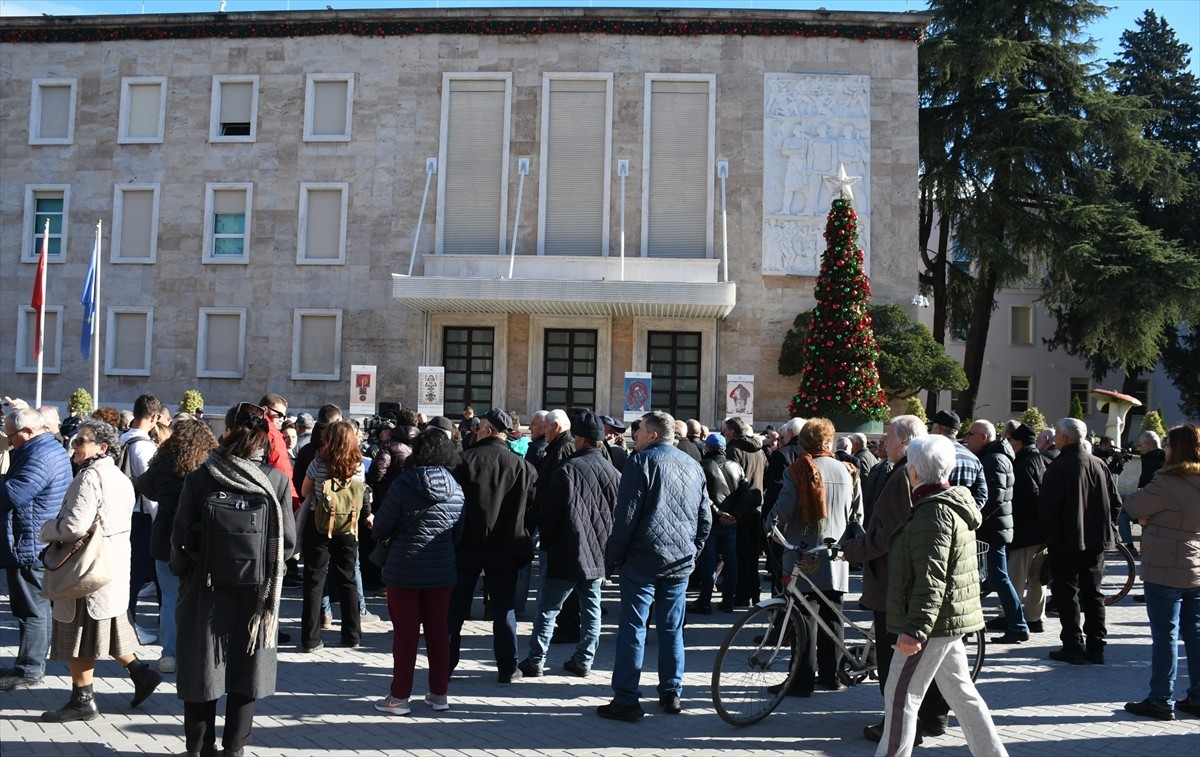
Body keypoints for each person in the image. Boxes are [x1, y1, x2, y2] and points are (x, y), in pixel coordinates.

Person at [171, 403, 296, 757]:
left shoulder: (202, 475)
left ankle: (198, 749)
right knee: (247, 668)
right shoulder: (275, 480)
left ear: (227, 430)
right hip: (257, 592)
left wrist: (187, 574)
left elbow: (180, 535)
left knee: (202, 668)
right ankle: (235, 749)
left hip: (204, 585)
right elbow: (287, 542)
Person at [876, 434, 1008, 757]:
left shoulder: (932, 512)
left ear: (915, 472)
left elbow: (930, 580)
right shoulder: (948, 504)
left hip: (933, 623)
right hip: (947, 619)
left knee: (900, 697)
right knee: (962, 694)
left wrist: (914, 630)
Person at [38, 419, 163, 722]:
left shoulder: (89, 478)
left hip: (86, 570)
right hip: (111, 567)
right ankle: (141, 674)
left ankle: (82, 701)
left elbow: (73, 526)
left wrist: (46, 529)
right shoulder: (118, 477)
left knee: (79, 633)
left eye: (81, 441)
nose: (75, 445)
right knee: (106, 629)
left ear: (102, 447)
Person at [841, 416, 951, 744]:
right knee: (926, 663)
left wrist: (851, 551)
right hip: (906, 579)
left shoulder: (903, 475)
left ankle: (900, 724)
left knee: (895, 663)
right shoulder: (909, 473)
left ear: (904, 442)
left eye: (888, 437)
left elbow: (884, 535)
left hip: (893, 581)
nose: (883, 443)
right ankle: (932, 716)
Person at [598, 411, 709, 721]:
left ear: (654, 435)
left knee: (634, 630)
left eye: (640, 431)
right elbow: (705, 518)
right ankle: (671, 693)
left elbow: (626, 517)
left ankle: (626, 698)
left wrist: (613, 558)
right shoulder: (692, 464)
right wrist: (693, 551)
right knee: (672, 630)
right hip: (678, 561)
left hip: (643, 559)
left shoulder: (641, 462)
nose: (635, 435)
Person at [518, 412, 617, 679]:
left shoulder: (569, 469)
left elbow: (550, 514)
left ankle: (536, 660)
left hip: (566, 551)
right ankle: (584, 660)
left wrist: (547, 544)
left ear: (582, 439)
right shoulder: (613, 472)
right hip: (597, 553)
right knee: (591, 609)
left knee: (548, 609)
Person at [767, 417, 862, 696]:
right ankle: (832, 675)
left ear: (805, 441)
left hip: (803, 554)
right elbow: (858, 516)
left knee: (801, 617)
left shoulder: (798, 470)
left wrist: (769, 525)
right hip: (836, 555)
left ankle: (801, 679)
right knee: (833, 616)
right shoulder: (849, 470)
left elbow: (782, 510)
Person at [372, 430, 465, 715]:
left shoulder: (403, 484)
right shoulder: (456, 488)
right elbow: (458, 534)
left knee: (405, 635)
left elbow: (381, 528)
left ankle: (399, 697)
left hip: (404, 570)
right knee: (439, 632)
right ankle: (439, 694)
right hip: (442, 569)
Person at [448, 408, 538, 683]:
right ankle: (508, 667)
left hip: (467, 546)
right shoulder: (523, 467)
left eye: (478, 428)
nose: (475, 431)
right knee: (504, 607)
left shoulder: (463, 461)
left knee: (456, 608)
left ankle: (446, 662)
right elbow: (533, 512)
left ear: (486, 430)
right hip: (506, 547)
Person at [1122, 423, 1200, 721]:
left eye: (1167, 444)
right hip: (1195, 565)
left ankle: (1160, 699)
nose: (1163, 449)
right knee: (1195, 633)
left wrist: (1147, 520)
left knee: (1166, 634)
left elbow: (1132, 505)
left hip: (1165, 567)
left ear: (1175, 449)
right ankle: (1197, 696)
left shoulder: (1167, 482)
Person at [136, 420, 219, 675]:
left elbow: (145, 487)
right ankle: (198, 651)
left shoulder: (164, 461)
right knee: (201, 597)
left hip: (164, 537)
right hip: (198, 538)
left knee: (170, 598)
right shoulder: (209, 464)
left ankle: (169, 655)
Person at [1, 407, 73, 692]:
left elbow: (13, 494)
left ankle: (30, 668)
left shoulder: (40, 454)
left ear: (28, 432)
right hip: (33, 537)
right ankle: (28, 664)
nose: (9, 442)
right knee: (35, 606)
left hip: (30, 541)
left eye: (11, 437)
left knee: (31, 608)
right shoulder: (41, 448)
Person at [1038, 417, 1119, 665]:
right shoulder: (1099, 464)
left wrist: (1049, 532)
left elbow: (1047, 507)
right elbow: (1115, 503)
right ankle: (1096, 647)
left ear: (1064, 439)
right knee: (1093, 593)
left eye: (1056, 437)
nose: (1054, 440)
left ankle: (1073, 645)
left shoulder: (1059, 466)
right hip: (1095, 541)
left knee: (1067, 593)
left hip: (1066, 540)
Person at [300, 420, 367, 652]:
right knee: (347, 578)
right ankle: (352, 635)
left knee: (314, 580)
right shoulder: (358, 465)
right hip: (349, 527)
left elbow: (304, 490)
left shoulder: (318, 462)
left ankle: (310, 639)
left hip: (319, 525)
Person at [964, 420, 1027, 644]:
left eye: (971, 434)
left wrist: (974, 520)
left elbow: (992, 499)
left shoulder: (993, 459)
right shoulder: (995, 456)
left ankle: (1018, 625)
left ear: (984, 437)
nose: (967, 438)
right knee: (994, 578)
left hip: (992, 530)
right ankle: (973, 624)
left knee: (999, 578)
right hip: (995, 529)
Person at [120, 394, 163, 644]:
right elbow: (152, 490)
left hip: (126, 514)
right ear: (154, 418)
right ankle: (128, 629)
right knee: (134, 577)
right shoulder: (144, 446)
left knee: (131, 576)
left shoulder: (121, 439)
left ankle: (128, 626)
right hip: (143, 518)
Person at [691, 433, 743, 614]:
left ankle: (705, 601)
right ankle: (728, 601)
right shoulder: (736, 466)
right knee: (731, 561)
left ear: (709, 448)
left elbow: (702, 494)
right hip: (730, 523)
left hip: (711, 521)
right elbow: (746, 494)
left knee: (708, 562)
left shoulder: (703, 465)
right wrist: (733, 514)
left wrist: (719, 512)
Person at [723, 416, 768, 607]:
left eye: (725, 431)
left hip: (740, 509)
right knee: (752, 555)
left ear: (732, 432)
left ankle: (742, 595)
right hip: (756, 507)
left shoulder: (734, 449)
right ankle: (754, 592)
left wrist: (731, 510)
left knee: (740, 554)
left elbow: (732, 481)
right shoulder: (760, 451)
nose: (724, 434)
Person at [929, 410, 987, 509]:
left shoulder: (932, 454)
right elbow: (982, 494)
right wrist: (969, 515)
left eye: (931, 428)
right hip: (964, 521)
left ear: (937, 428)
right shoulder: (973, 458)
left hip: (937, 517)